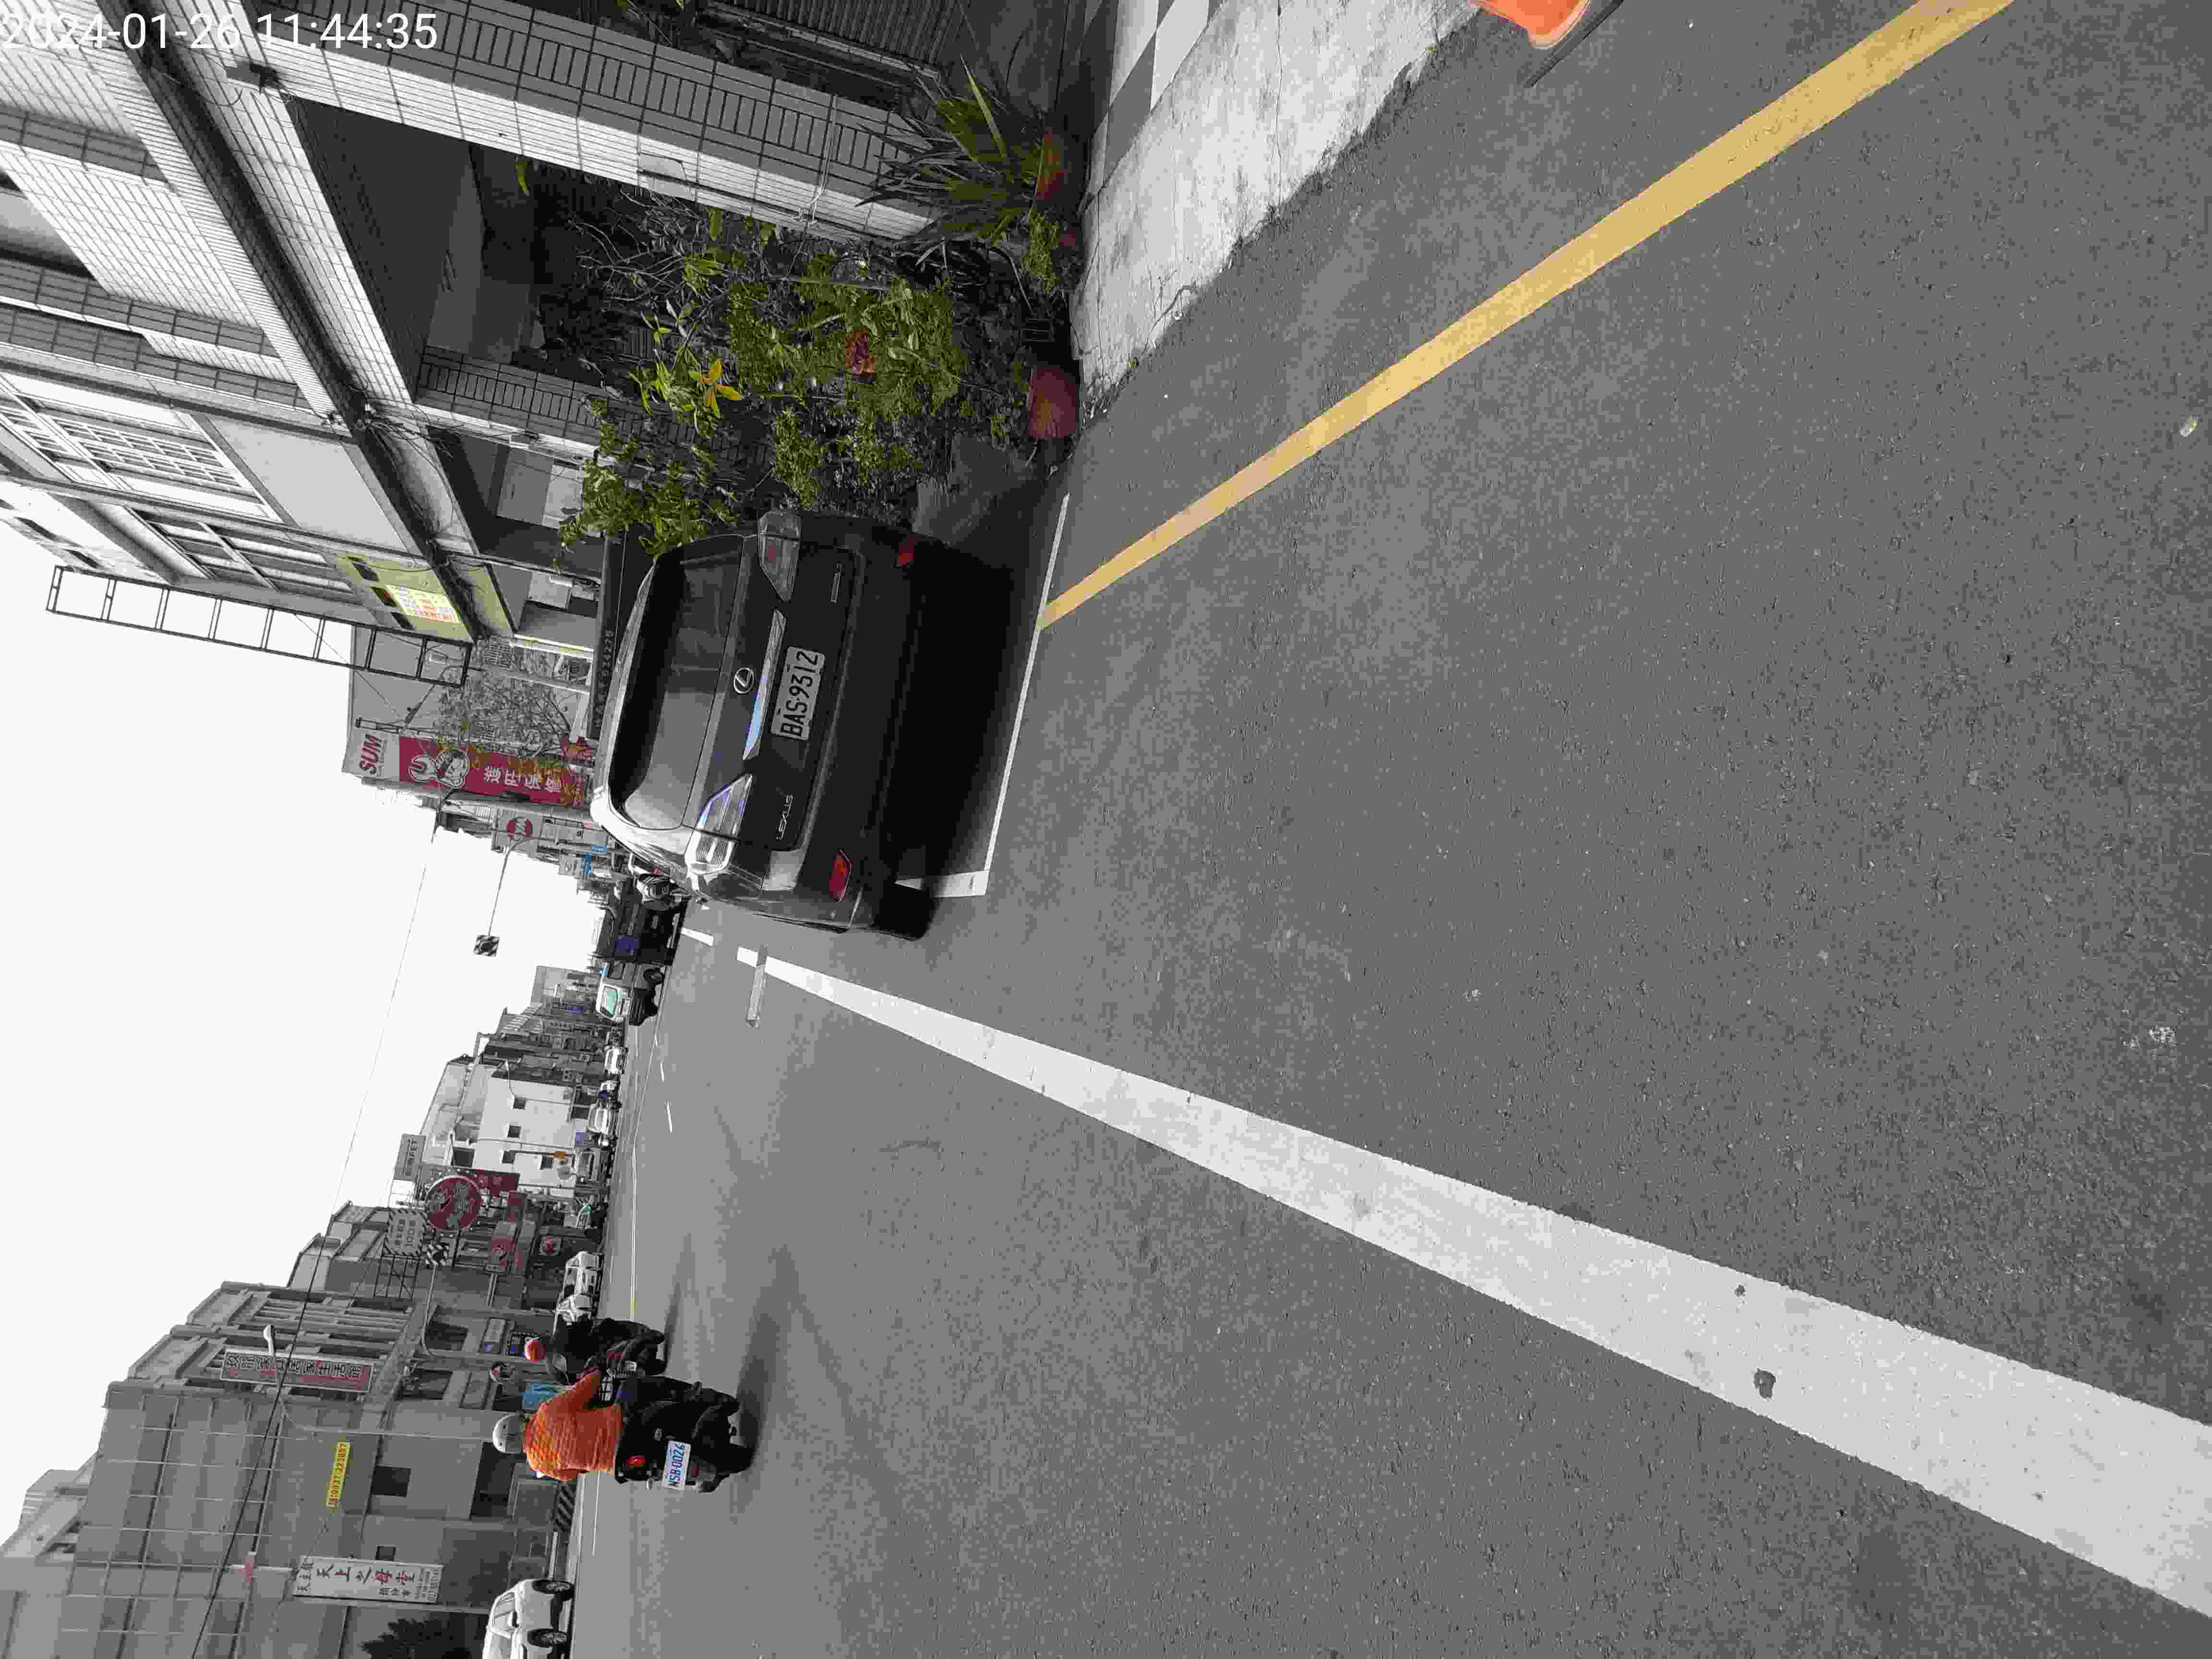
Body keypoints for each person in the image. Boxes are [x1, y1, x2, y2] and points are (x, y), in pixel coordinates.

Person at [490, 1368, 740, 1484]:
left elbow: (572, 1475)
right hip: (625, 1426)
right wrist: (596, 1372)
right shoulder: (546, 1414)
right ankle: (697, 1397)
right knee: (637, 1386)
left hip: (620, 1465)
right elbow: (585, 1389)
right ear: (520, 1424)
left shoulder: (538, 1464)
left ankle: (700, 1475)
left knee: (651, 1471)